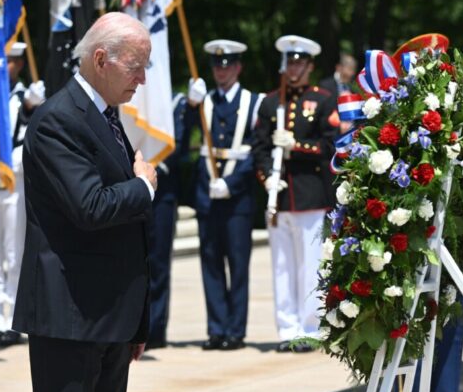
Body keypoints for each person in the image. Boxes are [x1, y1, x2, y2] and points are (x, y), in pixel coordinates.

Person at [12, 12, 157, 392]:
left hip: (109, 320)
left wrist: (134, 324)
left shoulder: (104, 115)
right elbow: (90, 206)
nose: (141, 79)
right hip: (71, 322)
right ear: (99, 60)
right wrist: (144, 186)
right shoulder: (58, 120)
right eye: (135, 67)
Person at [252, 35, 339, 352]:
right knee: (282, 266)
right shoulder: (271, 102)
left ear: (310, 66)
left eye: (300, 62)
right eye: (290, 62)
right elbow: (259, 149)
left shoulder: (324, 99)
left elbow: (329, 147)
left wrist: (297, 147)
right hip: (280, 197)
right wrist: (267, 180)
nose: (294, 68)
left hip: (310, 195)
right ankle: (286, 328)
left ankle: (311, 328)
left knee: (310, 265)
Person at [186, 40, 264, 351]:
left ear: (238, 67)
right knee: (211, 264)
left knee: (238, 264)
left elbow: (257, 150)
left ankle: (235, 331)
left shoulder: (252, 101)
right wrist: (190, 106)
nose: (221, 71)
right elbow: (180, 136)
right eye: (217, 65)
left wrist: (233, 182)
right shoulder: (204, 102)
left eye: (227, 65)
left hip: (237, 197)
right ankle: (216, 329)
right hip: (207, 195)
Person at [0, 41, 45, 347]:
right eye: (7, 60)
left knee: (15, 253)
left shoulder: (26, 97)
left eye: (15, 61)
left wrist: (35, 108)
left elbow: (30, 140)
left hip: (14, 183)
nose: (11, 66)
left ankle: (15, 319)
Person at [145, 91, 196, 350]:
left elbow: (181, 143)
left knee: (159, 262)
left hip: (163, 189)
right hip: (134, 183)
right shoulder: (134, 96)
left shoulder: (175, 102)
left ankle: (155, 329)